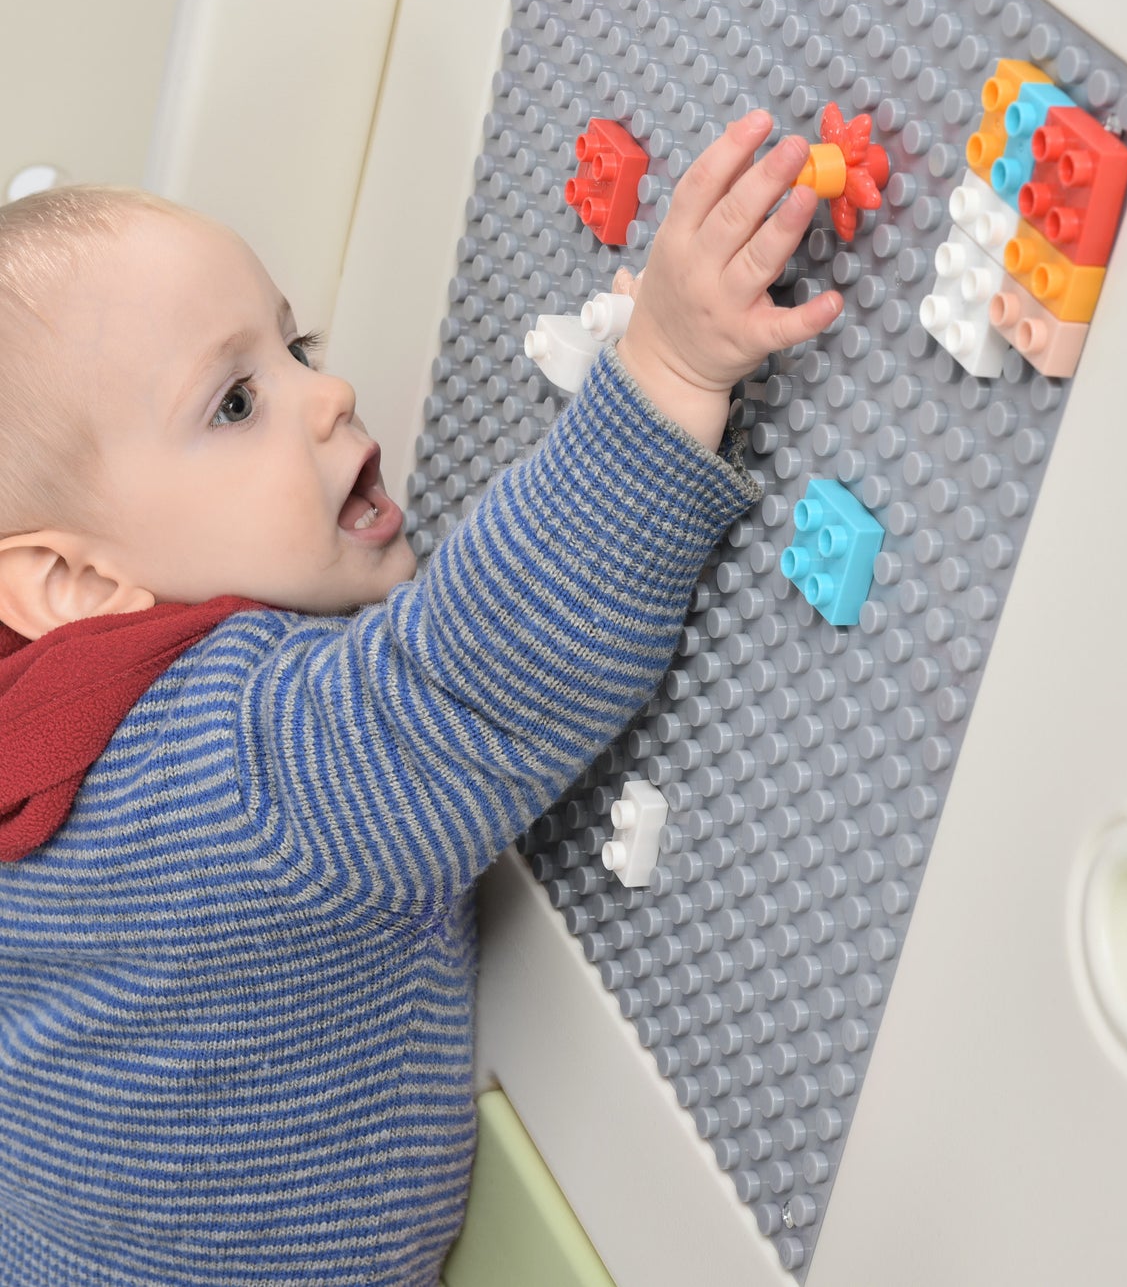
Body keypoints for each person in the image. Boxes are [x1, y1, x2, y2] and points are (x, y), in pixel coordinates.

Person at [0, 110, 842, 1284]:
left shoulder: (35, 721)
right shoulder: (232, 771)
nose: (328, 392)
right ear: (76, 580)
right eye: (233, 404)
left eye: (297, 346)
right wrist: (668, 368)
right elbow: (468, 677)